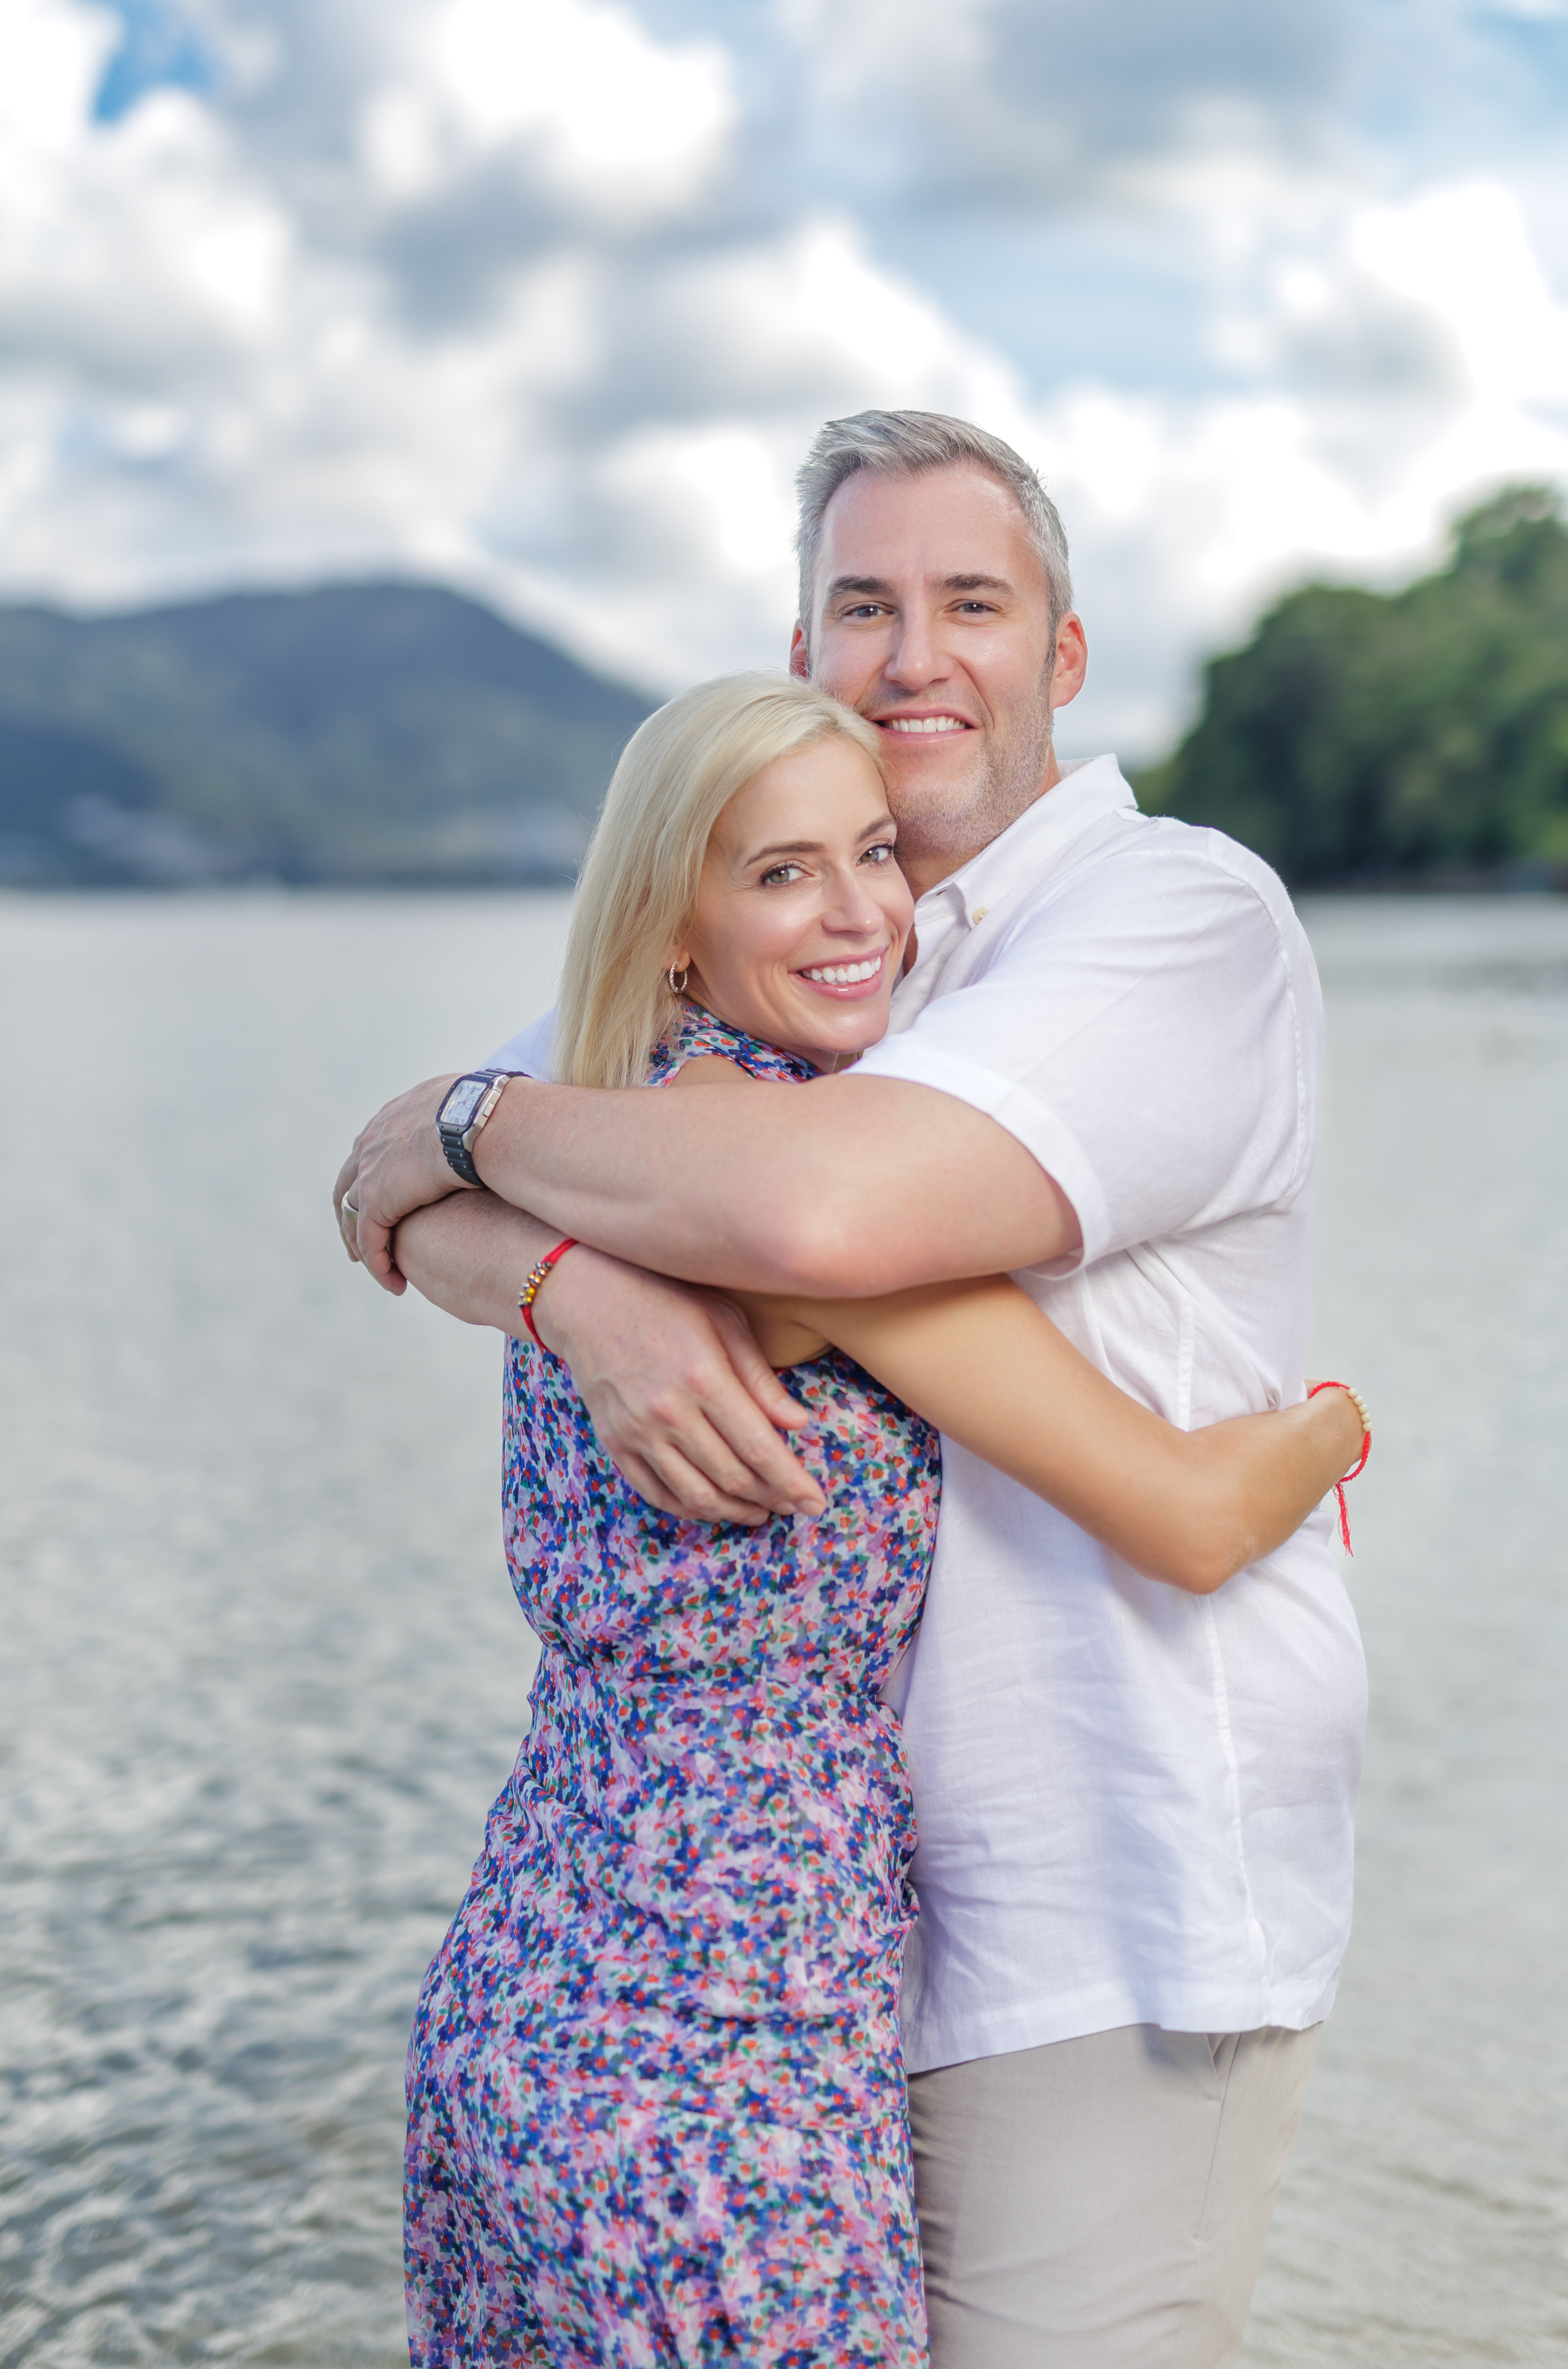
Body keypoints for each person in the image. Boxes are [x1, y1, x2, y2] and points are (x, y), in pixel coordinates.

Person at [339, 410, 1370, 2369]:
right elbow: (401, 1173)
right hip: (772, 1978)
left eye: (969, 602)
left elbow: (592, 1169)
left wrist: (530, 1203)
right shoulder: (782, 1000)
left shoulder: (1170, 916)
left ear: (1061, 653)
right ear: (801, 651)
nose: (912, 655)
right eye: (861, 604)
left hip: (1090, 1916)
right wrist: (572, 1283)